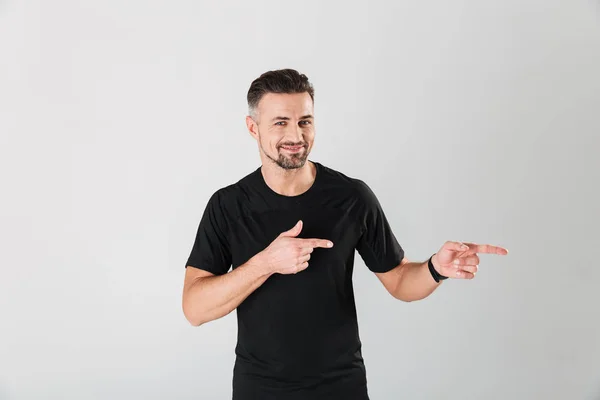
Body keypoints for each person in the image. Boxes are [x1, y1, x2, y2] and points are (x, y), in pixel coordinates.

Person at [181, 68, 508, 399]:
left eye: (305, 121)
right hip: (260, 389)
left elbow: (398, 280)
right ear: (253, 127)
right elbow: (194, 308)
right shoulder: (228, 206)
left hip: (340, 388)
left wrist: (436, 268)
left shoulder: (351, 197)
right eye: (280, 122)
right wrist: (266, 263)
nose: (295, 135)